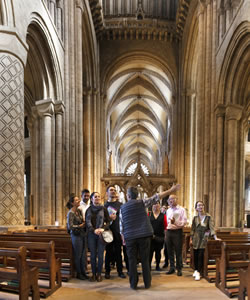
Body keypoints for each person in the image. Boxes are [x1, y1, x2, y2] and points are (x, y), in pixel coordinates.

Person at [120, 183, 181, 290]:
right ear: (137, 195)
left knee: (132, 260)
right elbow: (156, 197)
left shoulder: (122, 208)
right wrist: (171, 190)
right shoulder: (142, 202)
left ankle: (133, 284)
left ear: (128, 196)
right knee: (145, 260)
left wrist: (123, 238)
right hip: (144, 235)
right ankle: (147, 283)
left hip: (130, 237)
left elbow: (121, 225)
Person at [190, 201, 219, 281]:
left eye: (202, 205)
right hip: (196, 238)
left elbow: (212, 228)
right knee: (195, 254)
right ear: (196, 208)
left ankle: (199, 272)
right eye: (199, 205)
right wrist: (191, 239)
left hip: (204, 238)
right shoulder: (195, 218)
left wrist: (215, 237)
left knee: (201, 255)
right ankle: (196, 270)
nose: (200, 207)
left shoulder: (208, 217)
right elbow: (192, 229)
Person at [85, 192, 110, 282]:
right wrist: (93, 230)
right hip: (91, 235)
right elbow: (87, 222)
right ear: (92, 199)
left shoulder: (103, 209)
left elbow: (108, 221)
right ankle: (93, 274)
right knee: (93, 256)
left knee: (100, 255)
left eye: (99, 196)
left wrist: (103, 228)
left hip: (101, 235)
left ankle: (99, 274)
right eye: (95, 197)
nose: (97, 198)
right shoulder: (88, 210)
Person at [104, 186, 126, 279]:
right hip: (108, 231)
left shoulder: (120, 205)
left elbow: (123, 218)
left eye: (114, 190)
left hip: (118, 230)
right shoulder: (104, 206)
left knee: (118, 252)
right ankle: (107, 271)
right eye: (111, 190)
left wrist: (123, 232)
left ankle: (120, 271)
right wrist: (109, 218)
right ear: (107, 193)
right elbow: (103, 219)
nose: (113, 191)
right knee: (108, 252)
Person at [66, 195, 88, 280]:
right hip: (75, 236)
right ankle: (78, 273)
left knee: (83, 255)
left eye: (78, 200)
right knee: (78, 255)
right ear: (72, 203)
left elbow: (82, 220)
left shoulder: (78, 211)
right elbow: (70, 226)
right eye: (76, 200)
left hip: (82, 234)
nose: (79, 201)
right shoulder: (70, 213)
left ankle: (83, 272)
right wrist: (79, 226)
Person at [166, 194, 187, 276]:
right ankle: (172, 267)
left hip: (177, 232)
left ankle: (179, 268)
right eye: (169, 199)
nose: (170, 201)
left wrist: (175, 222)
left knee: (178, 251)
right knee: (169, 251)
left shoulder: (181, 210)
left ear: (176, 199)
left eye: (172, 199)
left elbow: (184, 222)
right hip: (169, 231)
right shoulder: (168, 210)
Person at [149, 200, 167, 271]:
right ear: (152, 206)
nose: (156, 206)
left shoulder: (163, 216)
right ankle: (149, 266)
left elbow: (165, 226)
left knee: (158, 252)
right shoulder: (149, 214)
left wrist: (165, 237)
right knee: (150, 252)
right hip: (150, 237)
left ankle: (157, 265)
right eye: (154, 204)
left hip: (160, 236)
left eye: (157, 204)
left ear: (159, 206)